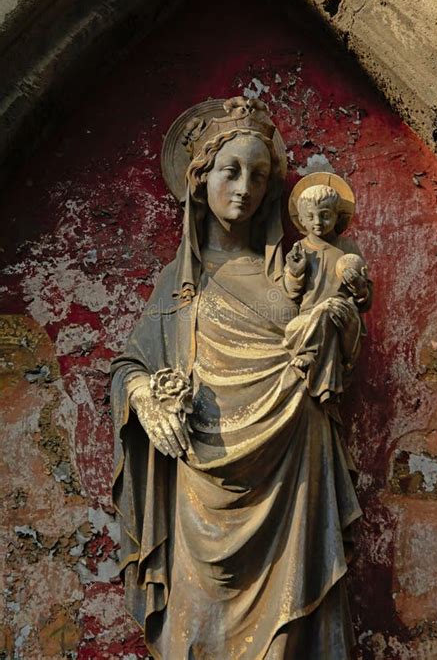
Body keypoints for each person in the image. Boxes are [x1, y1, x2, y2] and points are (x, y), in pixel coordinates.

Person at [111, 97, 364, 659]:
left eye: (259, 174)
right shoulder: (180, 286)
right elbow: (131, 365)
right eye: (231, 171)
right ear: (201, 180)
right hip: (201, 489)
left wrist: (336, 322)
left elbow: (337, 357)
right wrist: (147, 399)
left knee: (290, 637)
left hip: (294, 475)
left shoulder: (294, 276)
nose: (244, 187)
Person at [282, 177, 372, 395]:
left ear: (336, 216)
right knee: (316, 317)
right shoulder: (300, 249)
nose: (318, 222)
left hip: (344, 317)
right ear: (301, 220)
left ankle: (310, 355)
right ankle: (326, 391)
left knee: (329, 308)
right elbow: (290, 292)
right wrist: (296, 271)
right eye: (310, 217)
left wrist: (359, 287)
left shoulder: (348, 248)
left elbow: (367, 301)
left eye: (325, 215)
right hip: (307, 322)